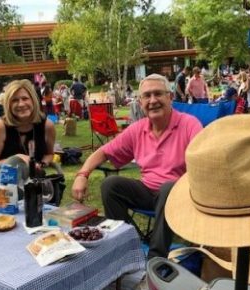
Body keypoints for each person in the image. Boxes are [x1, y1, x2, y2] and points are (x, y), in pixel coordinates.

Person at [71, 73, 202, 260]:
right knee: (111, 185)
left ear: (170, 97)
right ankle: (127, 248)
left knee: (169, 188)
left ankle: (155, 260)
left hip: (180, 196)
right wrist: (82, 174)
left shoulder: (190, 125)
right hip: (148, 192)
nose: (153, 100)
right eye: (147, 96)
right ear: (140, 103)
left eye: (158, 94)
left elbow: (205, 160)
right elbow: (103, 152)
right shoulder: (138, 129)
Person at [0, 79, 55, 208]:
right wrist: (18, 158)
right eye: (15, 100)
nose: (21, 104)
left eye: (25, 98)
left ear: (33, 100)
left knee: (23, 185)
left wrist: (41, 164)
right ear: (8, 105)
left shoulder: (47, 126)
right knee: (13, 166)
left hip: (32, 175)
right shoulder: (0, 127)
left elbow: (49, 154)